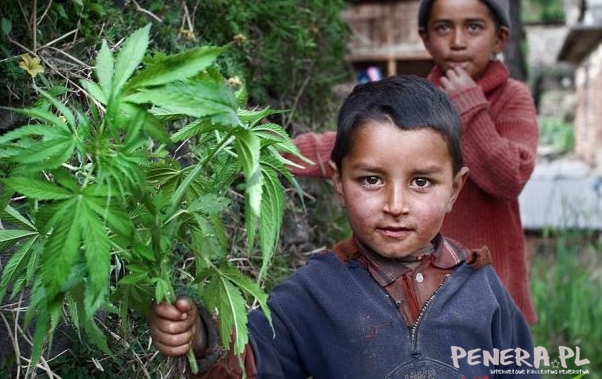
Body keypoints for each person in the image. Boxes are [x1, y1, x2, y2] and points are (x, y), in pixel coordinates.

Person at [149, 75, 540, 379]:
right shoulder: (313, 293)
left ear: (454, 189)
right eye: (371, 180)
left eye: (422, 181)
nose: (395, 205)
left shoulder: (481, 286)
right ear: (338, 182)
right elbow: (253, 362)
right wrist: (200, 337)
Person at [286, 0, 539, 324]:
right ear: (425, 37)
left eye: (473, 27)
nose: (457, 41)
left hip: (494, 289)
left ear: (500, 38)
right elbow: (352, 147)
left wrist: (469, 104)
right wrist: (274, 152)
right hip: (424, 287)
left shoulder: (512, 97)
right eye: (443, 27)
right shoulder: (418, 100)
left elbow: (509, 178)